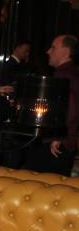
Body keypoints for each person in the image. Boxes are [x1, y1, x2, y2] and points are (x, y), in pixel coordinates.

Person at [25, 35, 79, 176]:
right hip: (58, 142)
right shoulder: (69, 72)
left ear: (66, 51)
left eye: (53, 47)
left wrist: (58, 137)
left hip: (55, 145)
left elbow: (71, 110)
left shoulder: (65, 74)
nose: (48, 51)